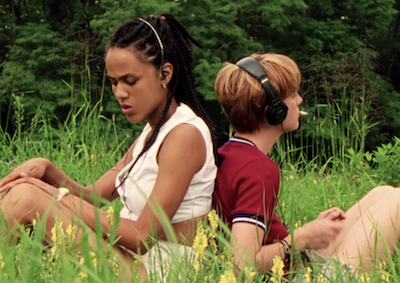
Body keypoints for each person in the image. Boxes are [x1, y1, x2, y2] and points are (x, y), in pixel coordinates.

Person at [0, 14, 217, 281]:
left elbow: (141, 236)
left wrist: (54, 196)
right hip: (128, 259)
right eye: (114, 82)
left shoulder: (184, 135)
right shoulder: (153, 132)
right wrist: (48, 171)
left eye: (130, 80)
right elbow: (93, 197)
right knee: (22, 192)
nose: (120, 93)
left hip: (159, 272)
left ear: (165, 73)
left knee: (27, 198)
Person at [213, 52, 400, 280]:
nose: (299, 100)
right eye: (292, 95)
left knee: (383, 194)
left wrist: (315, 232)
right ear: (274, 110)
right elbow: (242, 265)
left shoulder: (229, 153)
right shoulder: (258, 169)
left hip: (297, 267)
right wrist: (299, 238)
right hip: (302, 278)